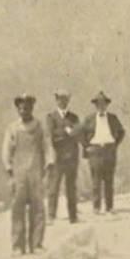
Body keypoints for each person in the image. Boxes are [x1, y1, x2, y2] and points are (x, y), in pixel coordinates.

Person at [2, 93, 54, 256]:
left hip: (36, 173)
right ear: (18, 109)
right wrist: (9, 168)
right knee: (17, 210)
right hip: (19, 174)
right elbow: (6, 150)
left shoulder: (39, 127)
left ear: (32, 108)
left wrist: (49, 163)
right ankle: (17, 246)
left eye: (27, 107)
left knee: (38, 208)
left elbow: (47, 146)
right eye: (21, 108)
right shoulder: (12, 128)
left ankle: (37, 244)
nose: (24, 110)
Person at [79, 91, 125, 215]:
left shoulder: (113, 118)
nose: (101, 106)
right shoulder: (89, 119)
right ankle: (96, 207)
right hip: (95, 151)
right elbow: (80, 133)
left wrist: (115, 144)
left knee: (109, 181)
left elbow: (122, 132)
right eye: (98, 104)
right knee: (96, 181)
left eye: (103, 104)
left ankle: (109, 207)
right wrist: (87, 146)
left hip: (109, 151)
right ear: (95, 105)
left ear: (107, 105)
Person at [45, 88, 81, 223]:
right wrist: (67, 132)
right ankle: (51, 215)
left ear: (68, 100)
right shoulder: (51, 117)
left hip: (72, 156)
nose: (63, 101)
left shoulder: (74, 117)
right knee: (53, 187)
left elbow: (78, 133)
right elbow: (50, 135)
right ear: (56, 100)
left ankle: (73, 216)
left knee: (71, 187)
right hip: (57, 156)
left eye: (65, 99)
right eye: (60, 99)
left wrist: (67, 133)